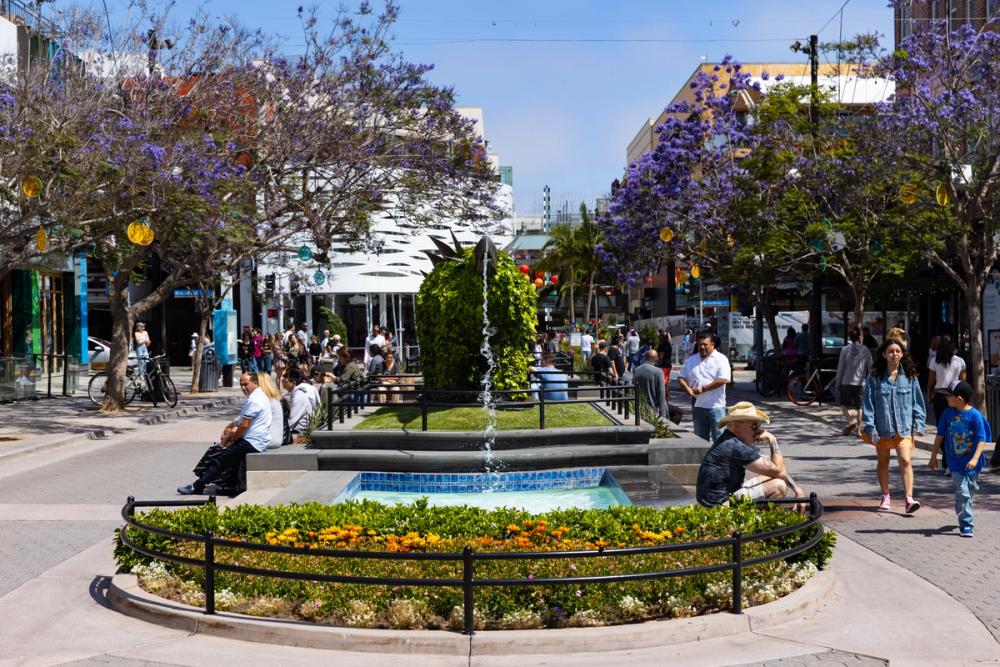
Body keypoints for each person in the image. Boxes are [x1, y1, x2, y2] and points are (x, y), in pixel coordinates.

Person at [695, 401, 804, 508]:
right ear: (737, 426)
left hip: (719, 497)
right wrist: (772, 439)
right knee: (778, 486)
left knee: (772, 475)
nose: (758, 430)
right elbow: (779, 471)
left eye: (758, 425)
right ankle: (762, 523)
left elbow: (775, 467)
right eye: (754, 425)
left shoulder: (734, 440)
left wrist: (796, 489)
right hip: (718, 505)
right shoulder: (733, 445)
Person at [177, 372, 272, 495]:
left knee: (220, 461)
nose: (243, 388)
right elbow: (241, 419)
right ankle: (231, 486)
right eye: (241, 385)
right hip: (256, 440)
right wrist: (230, 425)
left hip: (252, 441)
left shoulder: (255, 400)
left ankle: (197, 486)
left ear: (255, 383)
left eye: (246, 384)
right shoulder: (257, 397)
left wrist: (233, 438)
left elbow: (244, 425)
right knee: (232, 460)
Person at [862, 337, 926, 513]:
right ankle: (885, 495)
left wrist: (919, 424)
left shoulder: (910, 377)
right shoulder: (875, 377)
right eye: (890, 351)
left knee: (905, 461)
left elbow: (918, 402)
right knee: (883, 462)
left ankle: (909, 498)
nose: (894, 354)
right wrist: (870, 427)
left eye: (898, 351)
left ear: (902, 354)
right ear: (884, 354)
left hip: (903, 428)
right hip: (882, 429)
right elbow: (868, 404)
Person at [928, 381, 991, 538]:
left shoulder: (975, 416)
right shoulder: (947, 414)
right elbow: (940, 435)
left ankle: (962, 507)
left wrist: (976, 459)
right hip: (954, 462)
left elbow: (982, 439)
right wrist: (933, 456)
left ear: (960, 399)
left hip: (973, 463)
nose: (947, 399)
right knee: (963, 492)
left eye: (950, 396)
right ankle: (966, 524)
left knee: (971, 490)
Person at [678, 332, 732, 442]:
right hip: (698, 406)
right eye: (699, 344)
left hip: (716, 406)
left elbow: (723, 379)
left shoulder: (721, 359)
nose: (702, 347)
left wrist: (703, 388)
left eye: (705, 344)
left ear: (712, 344)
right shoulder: (692, 360)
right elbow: (681, 377)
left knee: (720, 440)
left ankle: (719, 460)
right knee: (700, 440)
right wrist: (687, 388)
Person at [926, 335, 967, 437]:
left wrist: (930, 396)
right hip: (955, 395)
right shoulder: (960, 361)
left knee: (941, 426)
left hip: (939, 395)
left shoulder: (934, 361)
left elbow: (931, 382)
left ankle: (944, 449)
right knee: (955, 424)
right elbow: (963, 382)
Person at [835, 328, 872, 436]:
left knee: (843, 405)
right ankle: (859, 431)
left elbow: (840, 368)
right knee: (859, 407)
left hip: (846, 382)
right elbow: (870, 367)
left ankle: (851, 421)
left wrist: (838, 382)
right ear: (860, 337)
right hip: (861, 383)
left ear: (850, 338)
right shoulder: (865, 350)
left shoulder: (845, 350)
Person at [283, 367, 320, 439]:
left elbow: (292, 419)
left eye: (285, 381)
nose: (284, 384)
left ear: (293, 382)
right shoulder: (301, 390)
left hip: (301, 430)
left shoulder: (299, 395)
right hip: (306, 426)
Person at [633, 349, 668, 419]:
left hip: (640, 407)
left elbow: (634, 388)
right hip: (653, 408)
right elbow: (661, 394)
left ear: (645, 357)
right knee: (678, 412)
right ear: (656, 359)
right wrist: (663, 414)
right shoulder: (658, 372)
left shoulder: (636, 370)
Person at [256, 372, 285, 449]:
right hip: (276, 439)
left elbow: (248, 418)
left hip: (269, 440)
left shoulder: (265, 400)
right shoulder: (274, 399)